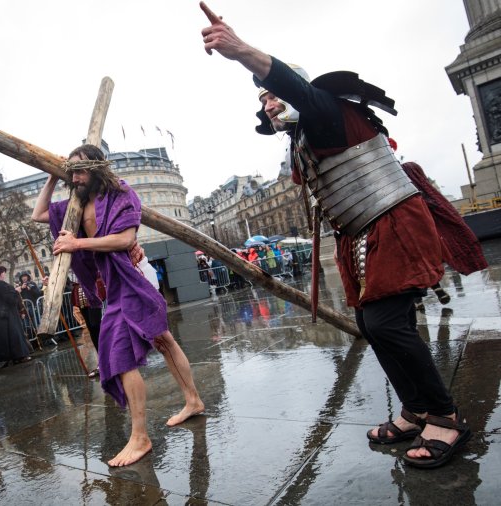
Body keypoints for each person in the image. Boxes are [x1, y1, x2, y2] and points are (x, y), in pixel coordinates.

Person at [199, 1, 487, 469]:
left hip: (392, 221)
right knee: (376, 326)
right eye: (263, 101)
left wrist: (241, 51)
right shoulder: (303, 138)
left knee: (389, 324)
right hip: (361, 231)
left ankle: (445, 416)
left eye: (272, 95)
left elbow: (292, 85)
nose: (269, 103)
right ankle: (415, 409)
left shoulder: (324, 108)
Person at [32, 143, 204, 467]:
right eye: (71, 171)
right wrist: (52, 177)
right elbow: (38, 213)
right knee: (163, 340)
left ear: (97, 168)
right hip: (111, 286)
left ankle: (140, 437)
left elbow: (125, 239)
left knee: (124, 355)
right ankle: (192, 400)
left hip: (131, 278)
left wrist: (77, 242)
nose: (76, 176)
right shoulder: (75, 204)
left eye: (80, 169)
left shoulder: (121, 193)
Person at [0, 266, 32, 366]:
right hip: (7, 315)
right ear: (0, 274)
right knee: (14, 335)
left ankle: (13, 357)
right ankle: (19, 356)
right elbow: (9, 299)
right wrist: (17, 291)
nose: (4, 274)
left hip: (0, 316)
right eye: (3, 272)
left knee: (7, 338)